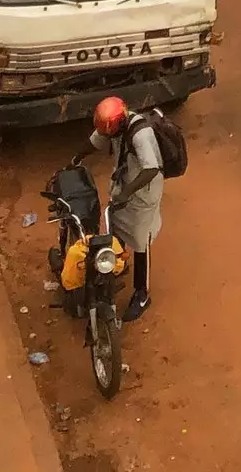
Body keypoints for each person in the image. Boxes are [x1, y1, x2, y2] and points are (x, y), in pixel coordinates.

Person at [79, 96, 161, 322]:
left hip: (144, 192)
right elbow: (95, 141)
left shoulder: (140, 135)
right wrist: (76, 158)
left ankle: (142, 294)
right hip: (124, 184)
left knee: (140, 238)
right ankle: (116, 264)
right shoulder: (112, 126)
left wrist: (127, 193)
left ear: (120, 126)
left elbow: (151, 169)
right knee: (114, 229)